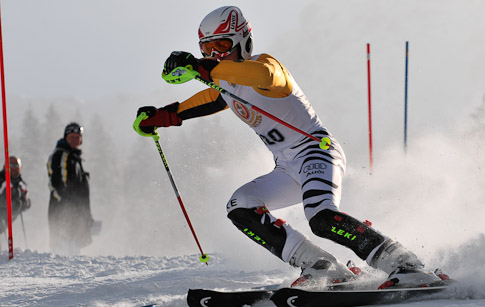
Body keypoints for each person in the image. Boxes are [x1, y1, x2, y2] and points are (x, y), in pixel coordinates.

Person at [133, 6, 448, 288]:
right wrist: (164, 116)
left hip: (317, 152)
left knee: (321, 218)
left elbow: (260, 76)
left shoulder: (266, 67)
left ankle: (405, 264)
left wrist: (203, 67)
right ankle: (322, 266)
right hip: (287, 167)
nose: (214, 55)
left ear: (242, 40)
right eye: (207, 48)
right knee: (240, 205)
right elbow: (210, 98)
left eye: (221, 46)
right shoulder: (225, 81)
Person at [47, 122, 94, 254]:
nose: (74, 140)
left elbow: (81, 192)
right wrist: (67, 205)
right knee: (63, 253)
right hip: (62, 212)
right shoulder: (61, 155)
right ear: (65, 138)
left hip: (75, 214)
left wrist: (86, 215)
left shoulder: (74, 158)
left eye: (77, 137)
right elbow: (55, 182)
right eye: (71, 137)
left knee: (73, 253)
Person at [0, 156, 31, 233]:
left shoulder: (20, 183)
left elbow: (25, 197)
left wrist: (25, 203)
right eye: (11, 166)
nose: (14, 169)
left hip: (6, 221)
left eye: (16, 166)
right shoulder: (2, 180)